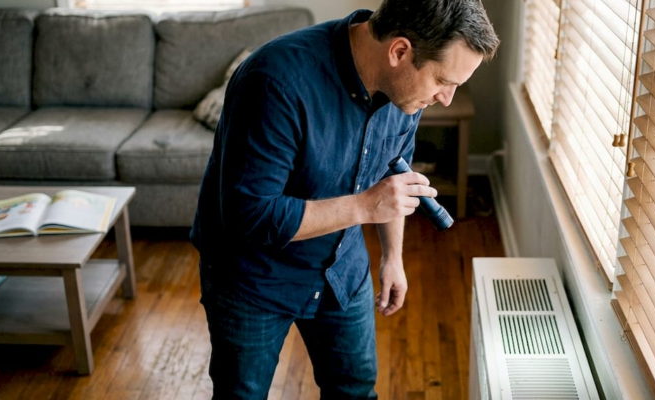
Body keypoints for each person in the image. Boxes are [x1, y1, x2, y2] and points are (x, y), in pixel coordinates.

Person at [190, 0, 499, 398]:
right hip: (253, 279)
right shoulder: (274, 81)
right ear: (399, 51)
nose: (447, 98)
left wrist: (393, 256)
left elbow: (394, 174)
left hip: (341, 269)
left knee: (354, 391)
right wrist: (365, 206)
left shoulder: (406, 90)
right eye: (443, 80)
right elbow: (250, 215)